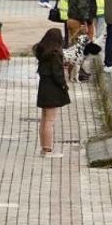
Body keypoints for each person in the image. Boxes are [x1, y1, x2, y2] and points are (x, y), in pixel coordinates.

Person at [34, 28, 70, 158]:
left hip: (43, 87)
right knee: (50, 120)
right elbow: (57, 74)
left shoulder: (43, 53)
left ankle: (44, 148)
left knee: (44, 119)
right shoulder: (55, 54)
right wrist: (64, 85)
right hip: (53, 89)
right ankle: (48, 150)